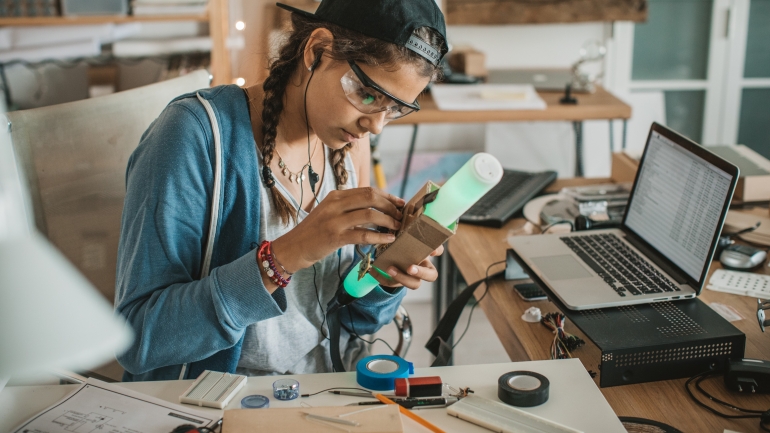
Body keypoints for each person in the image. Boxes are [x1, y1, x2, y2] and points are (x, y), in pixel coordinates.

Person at [115, 0, 449, 381]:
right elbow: (138, 339)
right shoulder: (193, 136)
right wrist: (286, 255)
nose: (376, 127)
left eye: (394, 109)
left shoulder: (348, 144)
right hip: (219, 401)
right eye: (369, 95)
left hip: (324, 388)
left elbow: (355, 324)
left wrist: (383, 276)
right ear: (318, 50)